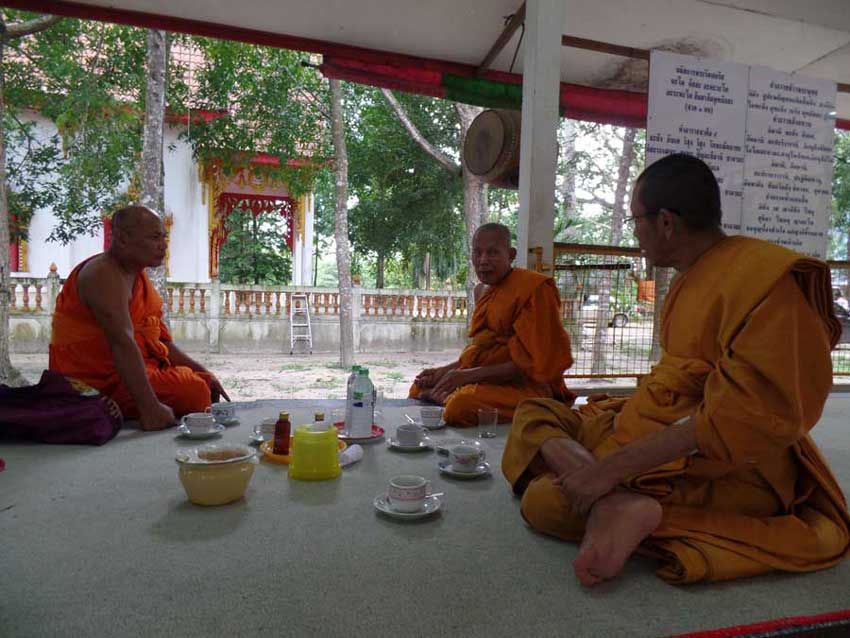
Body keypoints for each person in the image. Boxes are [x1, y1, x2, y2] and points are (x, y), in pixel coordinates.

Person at [502, 154, 850, 586]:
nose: (635, 234)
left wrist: (609, 469)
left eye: (636, 221)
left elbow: (741, 420)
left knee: (545, 502)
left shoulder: (766, 282)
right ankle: (611, 500)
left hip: (722, 465)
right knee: (533, 412)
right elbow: (680, 379)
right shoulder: (694, 274)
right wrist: (607, 466)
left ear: (666, 222)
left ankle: (617, 496)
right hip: (651, 428)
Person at [49, 205, 229, 431]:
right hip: (93, 383)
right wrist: (150, 408)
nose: (163, 245)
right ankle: (122, 407)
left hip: (134, 371)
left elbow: (161, 342)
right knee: (193, 391)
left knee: (201, 383)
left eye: (163, 237)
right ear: (123, 238)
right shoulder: (102, 275)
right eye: (154, 238)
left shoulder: (136, 276)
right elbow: (122, 343)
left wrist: (206, 373)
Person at [410, 223, 574, 427]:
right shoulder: (481, 291)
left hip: (527, 387)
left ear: (511, 255)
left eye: (493, 252)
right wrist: (443, 371)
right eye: (477, 253)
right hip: (489, 380)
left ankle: (540, 408)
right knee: (419, 388)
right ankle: (446, 396)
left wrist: (466, 376)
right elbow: (483, 351)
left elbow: (532, 364)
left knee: (461, 405)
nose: (483, 260)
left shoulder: (534, 289)